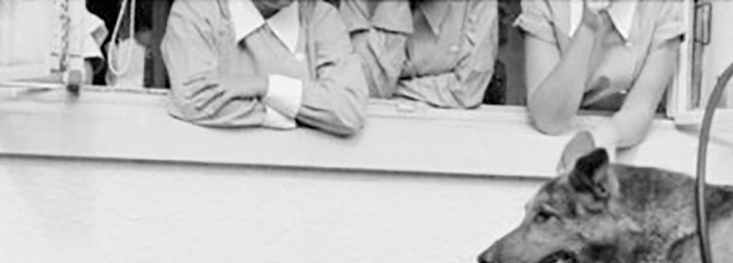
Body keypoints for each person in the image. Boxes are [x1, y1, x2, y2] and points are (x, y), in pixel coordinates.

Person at [162, 0, 366, 135]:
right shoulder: (198, 9)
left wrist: (264, 86)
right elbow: (193, 100)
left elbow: (348, 110)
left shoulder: (320, 17)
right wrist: (287, 115)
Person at [516, 0, 684, 152]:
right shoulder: (547, 4)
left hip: (625, 153)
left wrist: (599, 139)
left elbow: (639, 110)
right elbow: (548, 118)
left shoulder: (664, 6)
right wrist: (588, 27)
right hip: (548, 147)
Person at [339, 0, 502, 108]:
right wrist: (394, 5)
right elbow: (363, 90)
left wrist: (395, 89)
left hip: (448, 135)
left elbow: (467, 92)